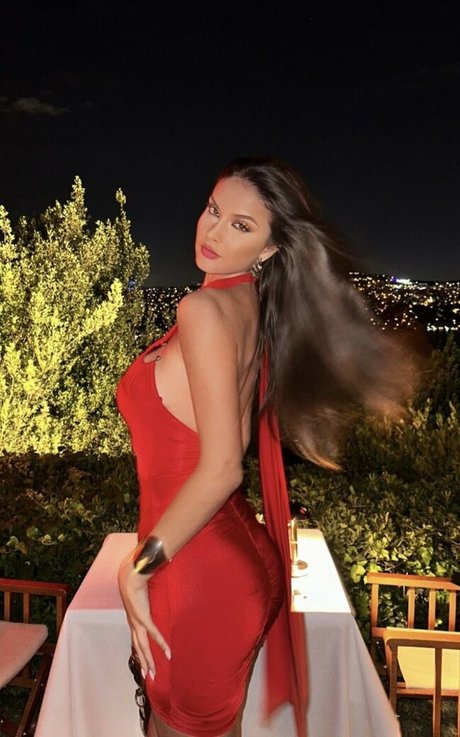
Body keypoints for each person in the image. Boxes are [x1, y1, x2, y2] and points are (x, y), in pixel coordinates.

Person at [117, 156, 413, 737]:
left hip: (195, 570)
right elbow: (237, 438)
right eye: (213, 210)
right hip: (233, 557)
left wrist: (137, 570)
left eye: (241, 226)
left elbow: (224, 468)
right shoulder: (249, 308)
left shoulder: (203, 311)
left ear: (270, 248)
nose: (213, 231)